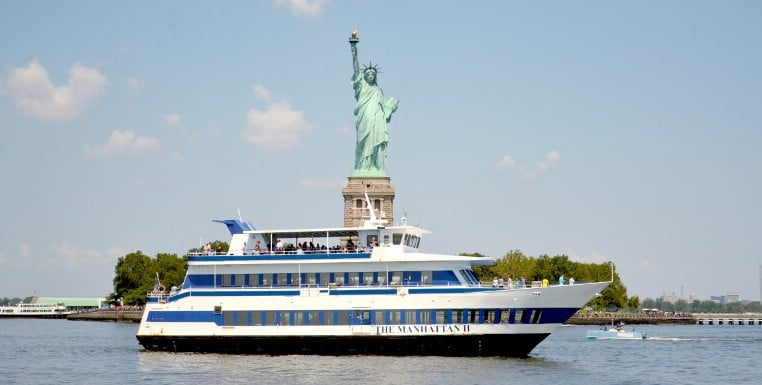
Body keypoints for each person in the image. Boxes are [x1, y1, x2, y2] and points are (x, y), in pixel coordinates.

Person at [349, 32, 399, 176]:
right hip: (364, 118)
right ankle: (363, 166)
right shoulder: (362, 87)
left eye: (373, 74)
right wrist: (354, 52)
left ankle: (375, 167)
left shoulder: (378, 91)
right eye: (368, 74)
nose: (370, 76)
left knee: (375, 142)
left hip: (377, 120)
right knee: (363, 142)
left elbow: (385, 108)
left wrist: (391, 108)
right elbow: (356, 70)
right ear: (365, 76)